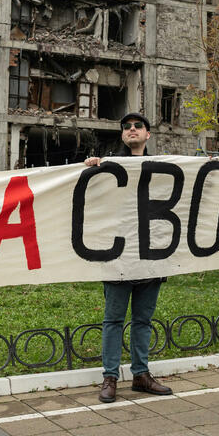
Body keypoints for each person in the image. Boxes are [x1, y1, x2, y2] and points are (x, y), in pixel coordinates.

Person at [83, 112, 173, 403]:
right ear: (122, 135)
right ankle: (110, 378)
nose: (131, 129)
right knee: (114, 319)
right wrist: (90, 170)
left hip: (150, 256)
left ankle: (140, 375)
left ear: (148, 134)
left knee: (143, 320)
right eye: (126, 127)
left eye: (138, 126)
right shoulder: (108, 166)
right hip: (119, 257)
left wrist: (206, 166)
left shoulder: (162, 167)